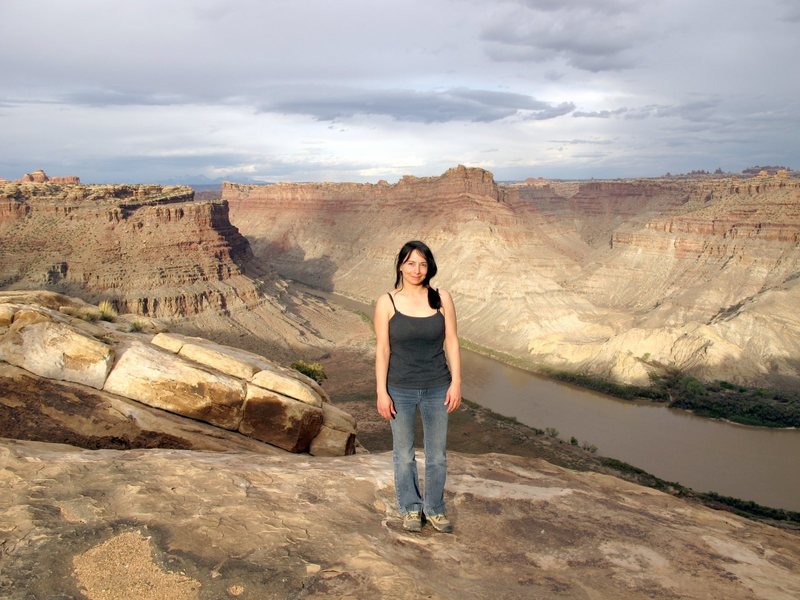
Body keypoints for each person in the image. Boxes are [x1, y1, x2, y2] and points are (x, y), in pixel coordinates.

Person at [374, 240, 462, 533]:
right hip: (400, 388)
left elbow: (451, 341)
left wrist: (457, 382)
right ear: (400, 265)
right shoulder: (387, 302)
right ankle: (411, 509)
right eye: (411, 263)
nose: (417, 269)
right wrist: (381, 392)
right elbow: (383, 350)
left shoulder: (442, 298)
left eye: (423, 264)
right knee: (404, 454)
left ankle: (434, 509)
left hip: (438, 386)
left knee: (437, 455)